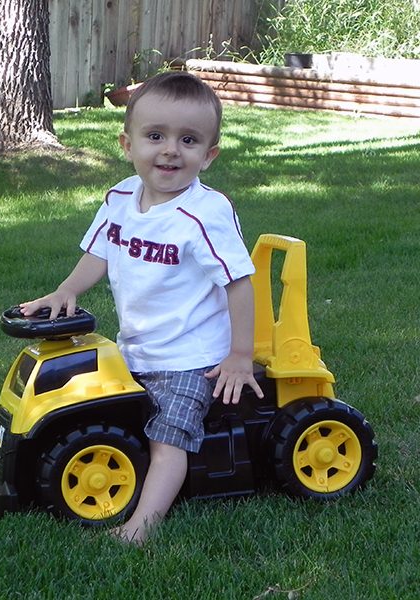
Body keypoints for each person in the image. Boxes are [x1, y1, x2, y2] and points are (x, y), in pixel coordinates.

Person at [19, 71, 263, 544]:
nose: (170, 150)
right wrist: (65, 290)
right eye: (156, 136)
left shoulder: (203, 214)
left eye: (188, 140)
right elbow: (100, 252)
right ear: (127, 144)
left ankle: (141, 527)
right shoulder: (120, 199)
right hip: (133, 348)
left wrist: (238, 355)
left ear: (208, 156)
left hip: (189, 357)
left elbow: (239, 283)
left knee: (167, 435)